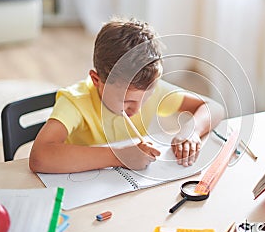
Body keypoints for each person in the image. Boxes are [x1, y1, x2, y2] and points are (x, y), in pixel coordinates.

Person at [29, 17, 224, 174]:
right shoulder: (75, 101)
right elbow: (40, 156)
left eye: (145, 99)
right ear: (97, 81)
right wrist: (118, 157)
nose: (137, 109)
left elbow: (213, 107)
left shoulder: (150, 89)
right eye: (127, 101)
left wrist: (191, 131)